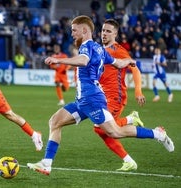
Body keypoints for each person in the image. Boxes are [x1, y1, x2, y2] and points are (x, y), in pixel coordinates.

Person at [27, 15, 174, 175]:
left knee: (115, 132)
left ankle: (157, 134)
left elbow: (83, 61)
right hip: (82, 100)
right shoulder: (99, 49)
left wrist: (59, 60)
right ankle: (46, 164)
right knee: (55, 121)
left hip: (92, 99)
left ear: (84, 30)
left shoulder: (87, 46)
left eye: (74, 30)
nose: (72, 34)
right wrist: (129, 62)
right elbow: (118, 63)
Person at [94, 19, 146, 171]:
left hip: (116, 97)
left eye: (108, 31)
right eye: (103, 30)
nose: (104, 33)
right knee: (102, 129)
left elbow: (135, 68)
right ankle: (128, 160)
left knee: (100, 127)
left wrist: (138, 91)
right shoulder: (99, 50)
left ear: (115, 34)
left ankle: (133, 121)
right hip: (102, 96)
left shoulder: (119, 50)